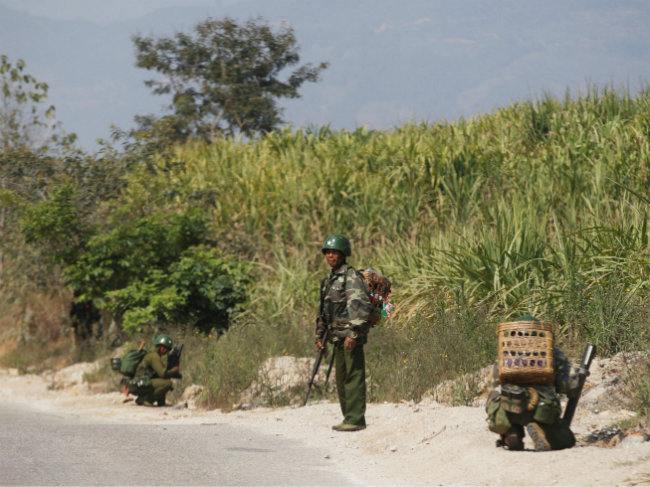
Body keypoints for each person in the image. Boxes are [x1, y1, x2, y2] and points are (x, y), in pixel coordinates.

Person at [485, 316, 581, 451]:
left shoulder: (506, 352)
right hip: (541, 409)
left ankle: (510, 432)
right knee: (567, 440)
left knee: (500, 402)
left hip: (508, 408)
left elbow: (492, 389)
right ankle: (541, 431)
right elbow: (569, 386)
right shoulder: (553, 353)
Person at [315, 234, 372, 431]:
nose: (330, 256)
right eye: (328, 252)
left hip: (349, 337)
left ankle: (356, 419)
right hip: (336, 337)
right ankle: (348, 417)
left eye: (335, 252)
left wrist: (353, 334)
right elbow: (324, 311)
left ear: (343, 254)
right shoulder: (329, 280)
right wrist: (319, 337)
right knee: (341, 379)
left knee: (353, 377)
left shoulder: (350, 276)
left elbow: (360, 306)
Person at [132, 334, 181, 407]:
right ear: (160, 347)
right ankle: (145, 399)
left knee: (164, 380)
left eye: (168, 349)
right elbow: (163, 374)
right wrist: (174, 370)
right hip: (140, 384)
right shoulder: (154, 357)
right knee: (167, 383)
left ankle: (160, 402)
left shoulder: (155, 356)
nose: (166, 350)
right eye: (165, 348)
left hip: (142, 383)